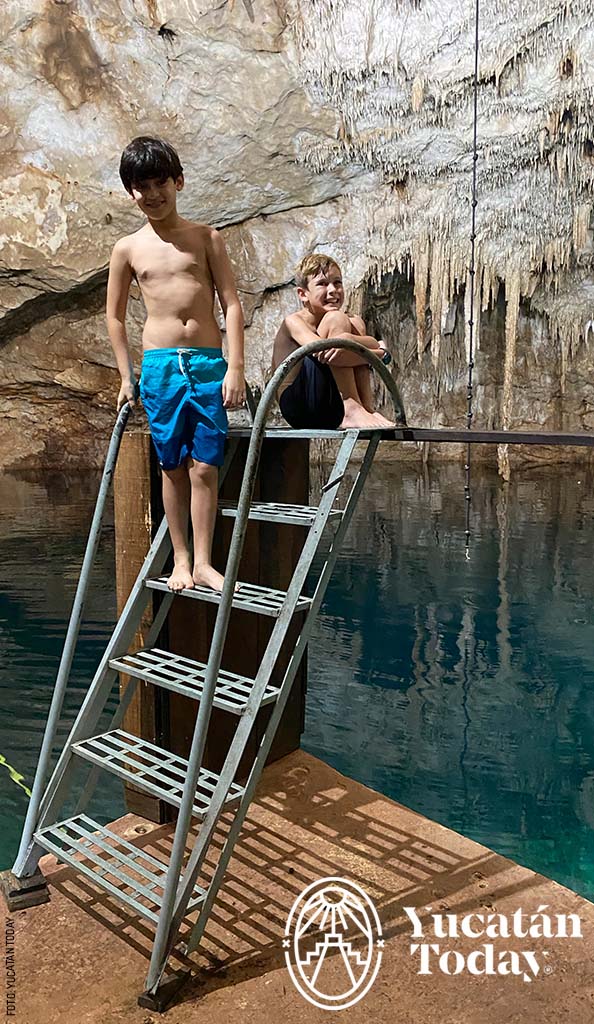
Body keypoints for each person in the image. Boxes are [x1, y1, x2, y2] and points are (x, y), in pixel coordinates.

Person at [106, 136, 245, 593]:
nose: (152, 193)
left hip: (206, 362)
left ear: (178, 181)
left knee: (205, 465)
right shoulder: (128, 248)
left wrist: (235, 367)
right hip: (161, 365)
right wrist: (128, 376)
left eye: (160, 182)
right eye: (141, 185)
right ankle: (181, 560)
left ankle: (205, 561)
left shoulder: (206, 237)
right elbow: (114, 316)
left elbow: (231, 303)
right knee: (171, 465)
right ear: (131, 192)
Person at [272, 253, 395, 429]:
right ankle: (350, 408)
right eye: (322, 284)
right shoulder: (294, 322)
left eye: (337, 283)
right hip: (299, 406)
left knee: (354, 322)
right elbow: (329, 354)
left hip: (328, 403)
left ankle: (365, 407)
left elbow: (342, 353)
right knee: (337, 319)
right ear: (303, 294)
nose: (333, 290)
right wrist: (381, 353)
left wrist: (348, 339)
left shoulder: (347, 322)